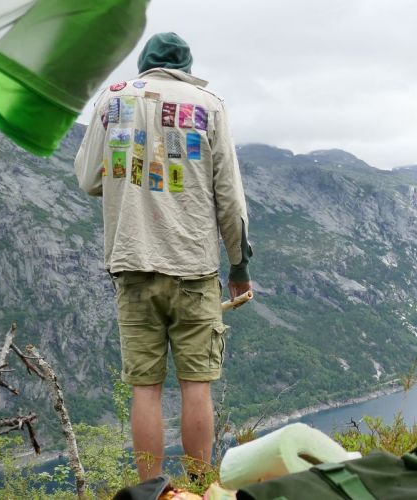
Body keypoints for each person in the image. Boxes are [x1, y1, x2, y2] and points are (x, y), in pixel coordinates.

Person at [74, 32, 253, 481]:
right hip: (193, 267)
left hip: (132, 263)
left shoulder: (112, 99)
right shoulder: (209, 105)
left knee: (145, 390)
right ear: (186, 66)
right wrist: (239, 266)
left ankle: (153, 492)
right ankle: (198, 486)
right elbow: (228, 196)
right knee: (196, 385)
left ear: (145, 63)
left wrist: (126, 169)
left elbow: (87, 179)